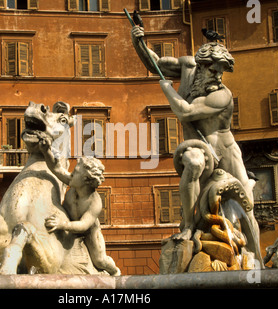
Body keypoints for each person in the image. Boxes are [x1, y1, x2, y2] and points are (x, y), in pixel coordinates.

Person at [131, 25, 257, 242]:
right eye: (214, 70)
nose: (218, 77)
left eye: (221, 72)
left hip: (225, 150)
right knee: (193, 163)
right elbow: (156, 64)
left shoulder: (222, 95)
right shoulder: (187, 67)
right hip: (197, 145)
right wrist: (138, 42)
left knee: (247, 205)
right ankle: (188, 227)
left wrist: (167, 89)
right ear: (201, 66)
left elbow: (185, 112)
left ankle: (257, 259)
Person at [38, 134, 121, 276]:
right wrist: (46, 151)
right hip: (68, 224)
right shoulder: (74, 184)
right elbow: (57, 169)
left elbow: (83, 225)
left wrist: (62, 224)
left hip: (89, 232)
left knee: (100, 260)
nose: (71, 174)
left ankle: (115, 271)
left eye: (75, 172)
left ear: (85, 179)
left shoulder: (94, 202)